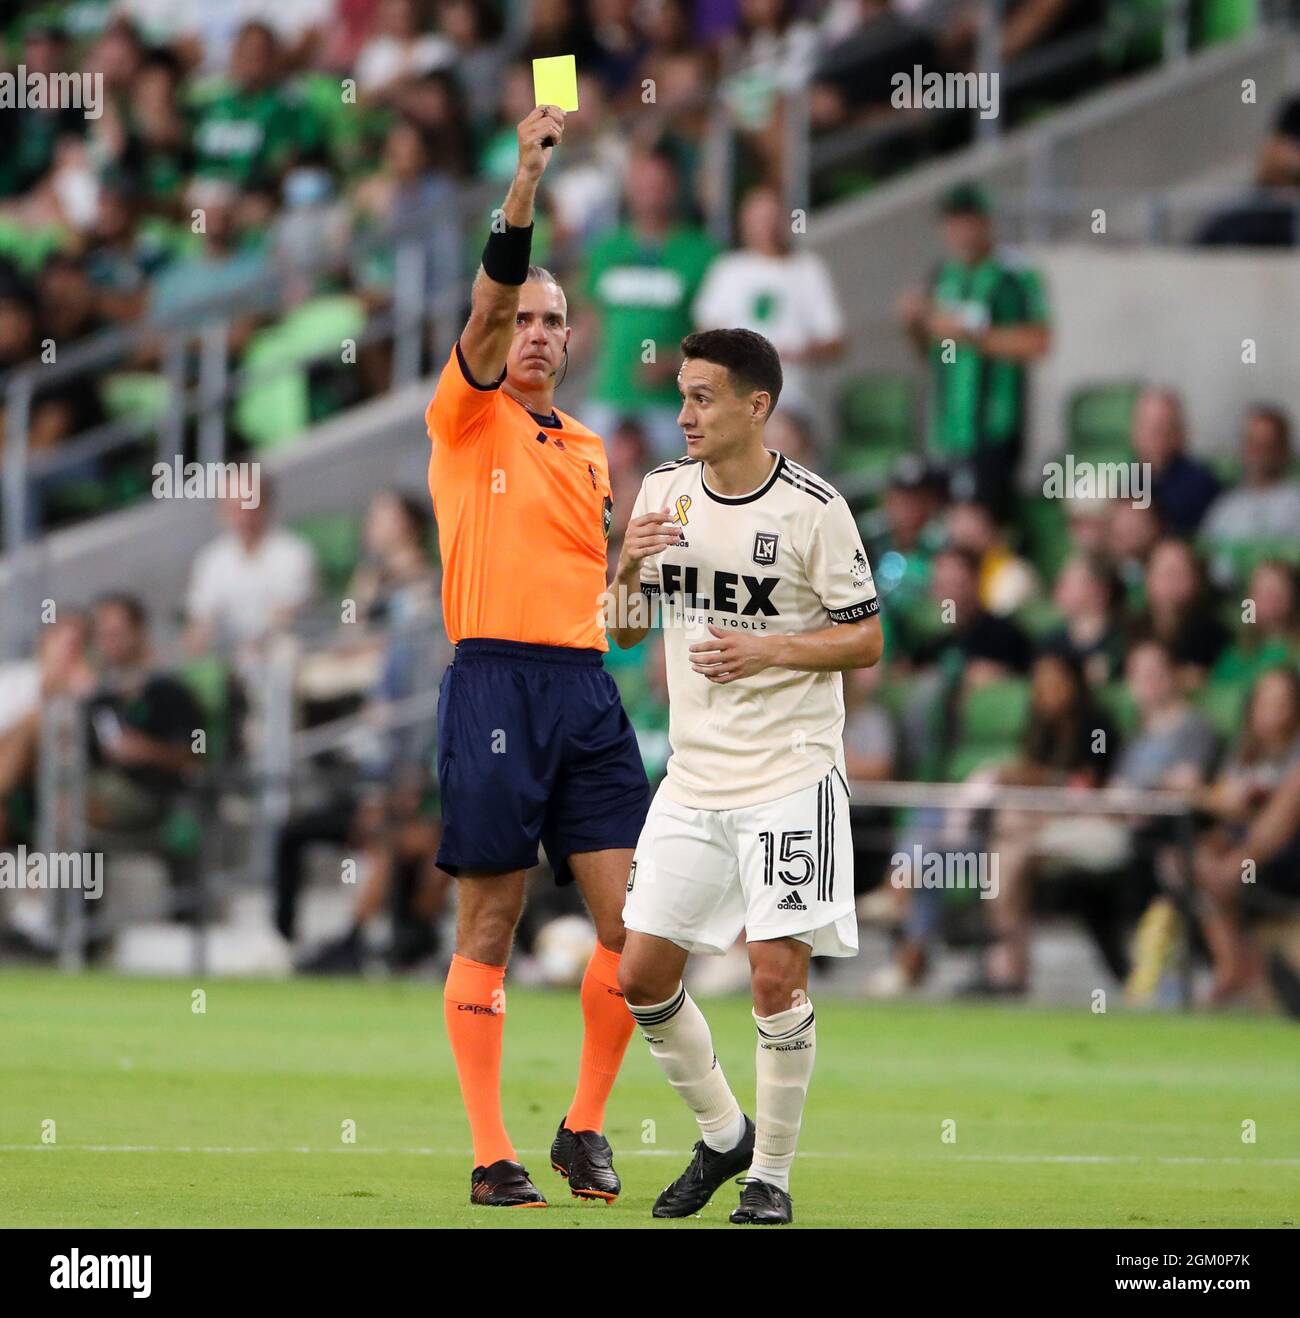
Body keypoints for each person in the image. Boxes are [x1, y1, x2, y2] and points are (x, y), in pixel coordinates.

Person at [424, 104, 650, 1208]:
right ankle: (488, 1151)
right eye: (524, 317)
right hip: (494, 681)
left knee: (636, 926)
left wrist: (642, 572)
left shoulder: (595, 448)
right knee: (493, 919)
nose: (539, 332)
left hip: (585, 685)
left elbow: (614, 614)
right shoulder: (465, 418)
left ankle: (582, 1126)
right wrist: (523, 174)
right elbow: (486, 293)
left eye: (555, 320)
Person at [608, 327, 884, 1225]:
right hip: (694, 776)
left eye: (701, 398)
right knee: (641, 975)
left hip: (789, 774)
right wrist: (630, 562)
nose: (682, 413)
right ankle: (723, 1133)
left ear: (754, 407)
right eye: (681, 395)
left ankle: (770, 1175)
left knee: (774, 975)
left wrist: (767, 650)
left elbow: (867, 637)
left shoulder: (813, 507)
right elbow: (623, 631)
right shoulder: (660, 492)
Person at [896, 184, 1050, 517]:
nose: (960, 231)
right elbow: (931, 353)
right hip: (948, 427)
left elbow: (1038, 341)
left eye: (967, 221)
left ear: (985, 222)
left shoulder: (1015, 274)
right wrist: (914, 325)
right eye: (952, 222)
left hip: (995, 424)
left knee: (984, 524)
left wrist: (971, 335)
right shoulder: (942, 275)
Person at [1201, 405, 1300, 546]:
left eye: (1267, 444)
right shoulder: (1226, 506)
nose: (1257, 453)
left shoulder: (1295, 503)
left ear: (1283, 449)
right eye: (1252, 443)